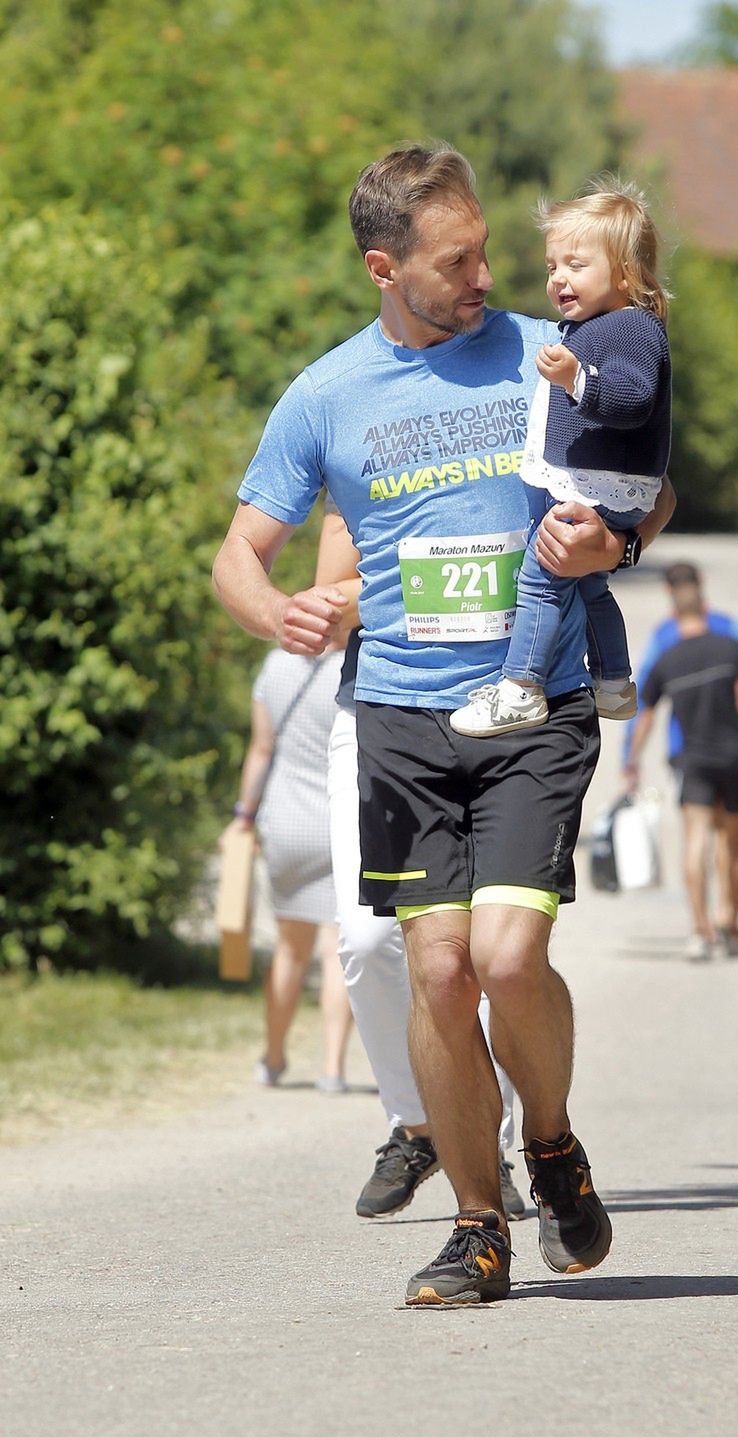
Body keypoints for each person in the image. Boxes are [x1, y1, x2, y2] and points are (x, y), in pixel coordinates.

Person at [213, 144, 675, 1307]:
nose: (483, 276)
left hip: (534, 698)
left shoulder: (544, 348)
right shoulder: (326, 394)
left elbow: (653, 479)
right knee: (438, 972)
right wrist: (285, 614)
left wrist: (616, 543)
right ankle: (478, 1227)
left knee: (510, 961)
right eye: (454, 260)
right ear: (385, 268)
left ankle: (553, 1142)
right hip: (405, 713)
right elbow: (239, 556)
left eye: (483, 251)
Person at [315, 509, 526, 1223]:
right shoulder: (360, 418)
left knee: (476, 949)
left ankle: (490, 1143)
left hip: (505, 706)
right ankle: (417, 1125)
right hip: (381, 712)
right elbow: (330, 593)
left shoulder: (523, 403)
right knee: (368, 941)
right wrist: (426, 569)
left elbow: (640, 487)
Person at [450, 178, 670, 737]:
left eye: (575, 264)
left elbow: (633, 398)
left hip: (600, 489)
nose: (558, 279)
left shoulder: (633, 327)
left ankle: (521, 687)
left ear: (623, 273)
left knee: (541, 580)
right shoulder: (599, 326)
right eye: (552, 267)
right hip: (595, 485)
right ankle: (615, 683)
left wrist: (577, 377)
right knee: (590, 582)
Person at [623, 574, 738, 962]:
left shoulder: (668, 657)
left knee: (695, 840)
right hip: (734, 758)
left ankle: (700, 930)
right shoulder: (729, 647)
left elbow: (644, 715)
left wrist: (631, 759)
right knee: (734, 842)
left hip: (692, 760)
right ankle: (730, 921)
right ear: (705, 608)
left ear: (674, 614)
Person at [223, 646, 353, 1089]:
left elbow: (261, 749)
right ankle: (332, 1068)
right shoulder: (352, 665)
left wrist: (243, 816)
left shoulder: (276, 665)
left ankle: (274, 1058)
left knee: (289, 948)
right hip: (340, 820)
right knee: (337, 952)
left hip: (286, 820)